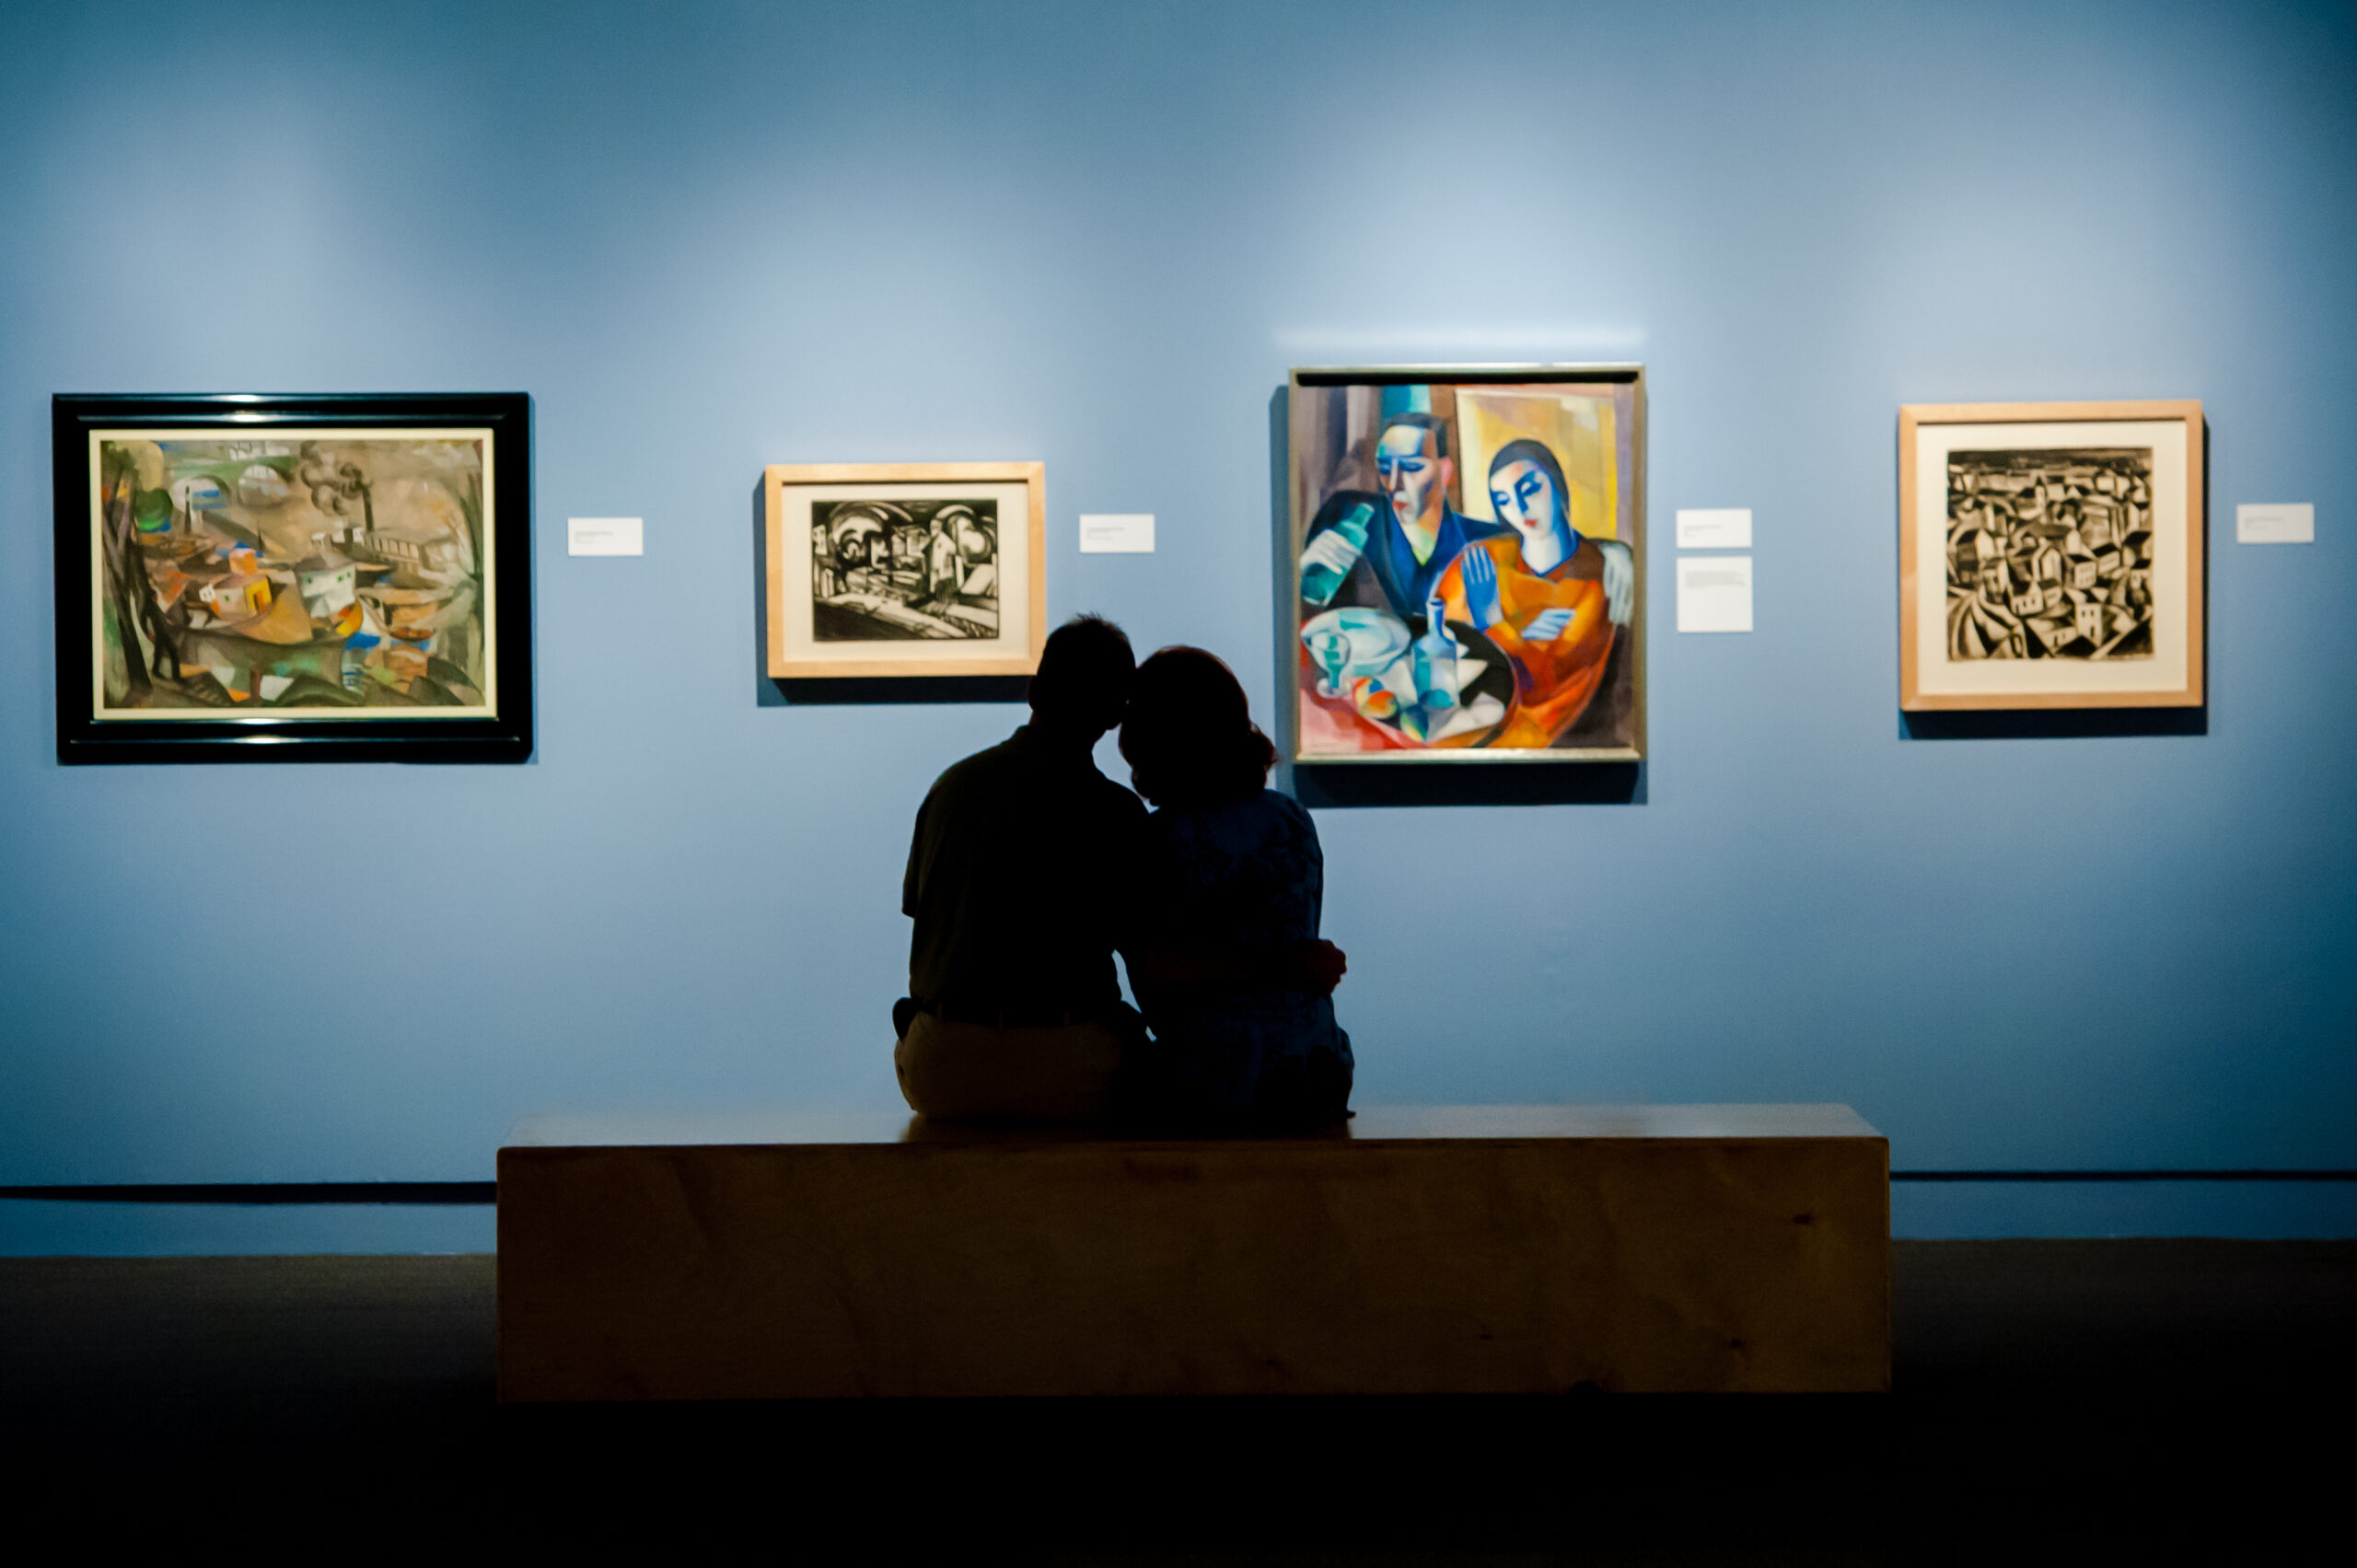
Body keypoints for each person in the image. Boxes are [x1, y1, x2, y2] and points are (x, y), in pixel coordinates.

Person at [894, 614, 1149, 1121]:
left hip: (943, 1070)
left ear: (1033, 692)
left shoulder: (951, 788)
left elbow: (922, 919)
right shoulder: (1116, 812)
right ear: (1116, 715)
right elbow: (1143, 953)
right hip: (1071, 1062)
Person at [1118, 646, 1353, 1130]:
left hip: (1210, 1082)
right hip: (1311, 1074)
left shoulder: (1162, 838)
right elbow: (1300, 946)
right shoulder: (1291, 818)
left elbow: (1164, 968)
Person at [1434, 439, 1632, 748]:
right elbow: (1439, 648)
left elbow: (1537, 686)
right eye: (1504, 499)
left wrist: (1492, 621)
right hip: (1453, 720)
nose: (1520, 508)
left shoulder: (1594, 579)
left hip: (1524, 735)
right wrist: (1519, 638)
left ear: (1558, 484)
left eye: (1530, 490)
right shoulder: (1480, 559)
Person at [1298, 412, 1504, 630]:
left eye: (1413, 467)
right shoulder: (1344, 516)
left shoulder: (1488, 542)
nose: (1393, 485)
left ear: (1445, 472)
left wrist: (1489, 620)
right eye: (1385, 468)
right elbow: (1306, 623)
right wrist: (1302, 576)